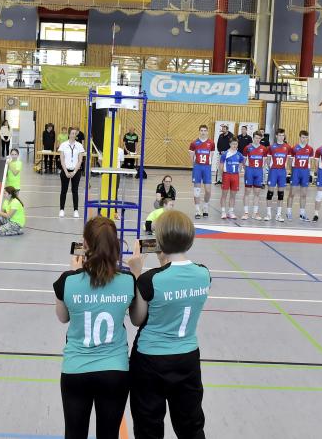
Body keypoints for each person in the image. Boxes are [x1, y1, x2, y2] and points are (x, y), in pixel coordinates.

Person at [126, 210, 210, 439]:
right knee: (191, 426)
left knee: (148, 427)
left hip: (150, 361)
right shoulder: (204, 274)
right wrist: (164, 262)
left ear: (160, 241)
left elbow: (136, 319)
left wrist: (135, 274)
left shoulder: (150, 280)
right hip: (187, 359)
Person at [53, 217, 138, 439]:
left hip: (76, 369)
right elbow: (137, 317)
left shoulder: (67, 281)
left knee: (74, 433)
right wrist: (137, 273)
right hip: (115, 370)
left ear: (85, 244)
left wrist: (74, 273)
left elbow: (63, 317)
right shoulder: (128, 280)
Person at [188, 124, 215, 220]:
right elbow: (191, 156)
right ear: (199, 131)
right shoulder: (194, 143)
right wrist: (195, 166)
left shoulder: (211, 143)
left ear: (207, 132)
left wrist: (208, 165)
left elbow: (211, 156)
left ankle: (205, 206)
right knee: (197, 191)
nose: (203, 132)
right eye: (201, 130)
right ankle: (197, 210)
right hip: (198, 168)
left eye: (205, 131)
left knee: (208, 190)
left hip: (207, 168)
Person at [58, 126, 85, 218]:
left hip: (76, 171)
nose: (74, 135)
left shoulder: (79, 145)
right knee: (64, 190)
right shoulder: (63, 145)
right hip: (65, 170)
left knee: (75, 190)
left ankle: (76, 210)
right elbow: (62, 160)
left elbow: (80, 160)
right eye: (72, 133)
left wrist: (74, 172)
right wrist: (66, 172)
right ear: (69, 134)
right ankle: (62, 209)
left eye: (75, 133)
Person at [286, 130, 314, 222]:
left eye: (306, 137)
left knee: (304, 194)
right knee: (292, 193)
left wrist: (309, 172)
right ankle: (288, 212)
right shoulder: (294, 148)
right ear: (299, 137)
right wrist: (291, 171)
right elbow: (290, 161)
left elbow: (310, 162)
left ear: (308, 138)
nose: (304, 139)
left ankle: (302, 213)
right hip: (296, 172)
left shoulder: (310, 149)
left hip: (305, 172)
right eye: (302, 137)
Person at [266, 128, 290, 222]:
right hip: (273, 171)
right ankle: (268, 214)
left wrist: (287, 170)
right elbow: (268, 160)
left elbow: (288, 160)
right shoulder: (271, 147)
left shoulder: (287, 147)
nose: (281, 137)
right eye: (279, 135)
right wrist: (272, 167)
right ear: (276, 136)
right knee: (270, 193)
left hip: (282, 172)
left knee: (281, 194)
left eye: (282, 135)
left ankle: (279, 215)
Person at [243, 130, 267, 221]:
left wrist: (261, 170)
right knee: (247, 192)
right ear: (253, 138)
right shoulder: (247, 147)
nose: (257, 140)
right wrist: (247, 170)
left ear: (261, 139)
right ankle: (246, 213)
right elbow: (244, 161)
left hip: (258, 171)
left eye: (259, 138)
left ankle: (255, 213)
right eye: (256, 138)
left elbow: (264, 161)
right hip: (249, 171)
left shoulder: (263, 148)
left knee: (257, 193)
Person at [220, 138, 244, 220]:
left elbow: (240, 165)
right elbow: (221, 166)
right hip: (226, 175)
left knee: (233, 195)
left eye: (236, 144)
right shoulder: (225, 154)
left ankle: (231, 212)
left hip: (235, 176)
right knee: (224, 195)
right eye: (233, 144)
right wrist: (222, 176)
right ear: (230, 144)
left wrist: (238, 173)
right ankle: (223, 212)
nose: (234, 145)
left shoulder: (239, 155)